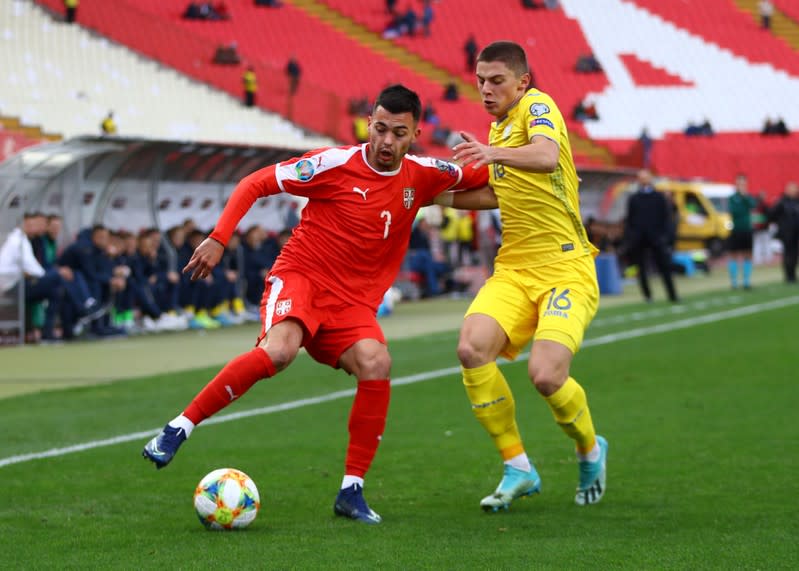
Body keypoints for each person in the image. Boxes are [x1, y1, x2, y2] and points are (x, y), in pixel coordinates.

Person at [141, 84, 489, 524]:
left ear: (416, 133)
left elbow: (490, 186)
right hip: (302, 278)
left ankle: (351, 491)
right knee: (280, 352)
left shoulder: (423, 175)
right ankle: (177, 428)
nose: (386, 141)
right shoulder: (333, 164)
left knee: (376, 361)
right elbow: (255, 182)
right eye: (380, 129)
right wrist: (219, 237)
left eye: (398, 133)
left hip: (352, 304)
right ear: (369, 123)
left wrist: (528, 170)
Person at [436, 40, 608, 511]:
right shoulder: (498, 130)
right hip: (514, 269)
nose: (486, 90)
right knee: (471, 348)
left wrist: (491, 153)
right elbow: (496, 195)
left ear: (522, 82)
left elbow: (546, 157)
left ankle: (591, 449)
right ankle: (518, 467)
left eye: (496, 81)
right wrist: (433, 198)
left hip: (565, 268)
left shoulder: (538, 107)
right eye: (480, 82)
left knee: (546, 376)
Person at [623, 169, 679, 302]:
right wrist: (632, 236)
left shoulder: (659, 197)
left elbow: (666, 218)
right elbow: (630, 219)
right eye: (641, 177)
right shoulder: (634, 198)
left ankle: (672, 295)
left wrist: (665, 236)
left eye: (646, 177)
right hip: (640, 238)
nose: (644, 180)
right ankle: (647, 296)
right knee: (641, 269)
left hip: (657, 238)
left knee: (664, 266)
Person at [727, 173, 757, 290]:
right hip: (736, 230)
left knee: (748, 254)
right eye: (739, 183)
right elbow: (735, 211)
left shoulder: (748, 197)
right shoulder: (732, 198)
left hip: (747, 230)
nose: (741, 185)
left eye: (743, 183)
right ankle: (734, 282)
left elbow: (753, 205)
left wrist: (745, 197)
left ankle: (746, 281)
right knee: (733, 255)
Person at [770, 181, 799, 283]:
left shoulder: (796, 201)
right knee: (788, 254)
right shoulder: (782, 202)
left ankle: (793, 275)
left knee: (795, 255)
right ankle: (788, 276)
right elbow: (772, 214)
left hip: (796, 233)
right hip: (786, 233)